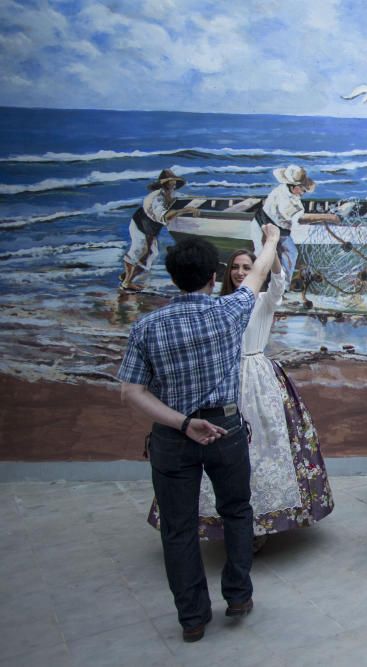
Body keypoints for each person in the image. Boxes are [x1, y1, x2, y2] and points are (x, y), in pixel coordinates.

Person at [118, 223, 281, 642]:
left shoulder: (147, 328)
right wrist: (273, 239)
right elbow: (261, 272)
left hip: (173, 437)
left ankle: (192, 617)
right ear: (214, 277)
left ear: (173, 277)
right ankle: (239, 595)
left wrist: (182, 424)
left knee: (178, 528)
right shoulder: (229, 310)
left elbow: (131, 392)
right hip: (225, 428)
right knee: (237, 511)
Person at [147, 248, 334, 548]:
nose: (240, 272)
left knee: (265, 448)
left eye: (247, 267)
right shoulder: (218, 306)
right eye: (235, 267)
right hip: (224, 379)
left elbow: (278, 279)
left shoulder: (261, 301)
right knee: (227, 452)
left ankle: (262, 520)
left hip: (260, 380)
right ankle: (227, 520)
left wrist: (271, 247)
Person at [120, 169, 197, 291]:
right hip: (140, 224)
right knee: (139, 250)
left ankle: (127, 276)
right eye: (172, 182)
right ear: (165, 183)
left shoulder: (170, 193)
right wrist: (184, 211)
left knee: (151, 253)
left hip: (152, 227)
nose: (174, 184)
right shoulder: (157, 198)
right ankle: (127, 282)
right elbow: (165, 216)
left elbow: (182, 199)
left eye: (175, 182)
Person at [256, 165, 315, 282]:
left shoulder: (287, 190)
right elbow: (298, 219)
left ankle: (280, 283)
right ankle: (283, 285)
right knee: (291, 253)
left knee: (281, 254)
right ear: (295, 187)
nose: (303, 192)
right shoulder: (284, 199)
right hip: (270, 225)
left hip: (276, 225)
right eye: (303, 189)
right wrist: (328, 217)